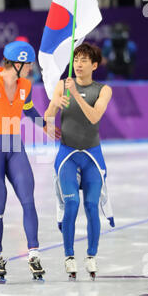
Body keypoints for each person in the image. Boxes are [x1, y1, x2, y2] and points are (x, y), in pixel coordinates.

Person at [0, 41, 52, 282]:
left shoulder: (25, 85)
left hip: (15, 147)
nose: (30, 68)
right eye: (28, 64)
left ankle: (34, 254)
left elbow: (29, 110)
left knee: (28, 199)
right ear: (16, 63)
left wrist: (45, 126)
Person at [44, 43, 114, 281]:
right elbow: (48, 117)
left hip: (93, 156)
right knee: (71, 204)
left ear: (94, 65)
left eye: (84, 60)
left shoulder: (103, 90)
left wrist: (74, 95)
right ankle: (69, 256)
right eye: (76, 60)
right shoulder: (63, 84)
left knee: (92, 206)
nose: (78, 64)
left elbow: (94, 117)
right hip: (68, 155)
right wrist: (55, 105)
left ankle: (91, 255)